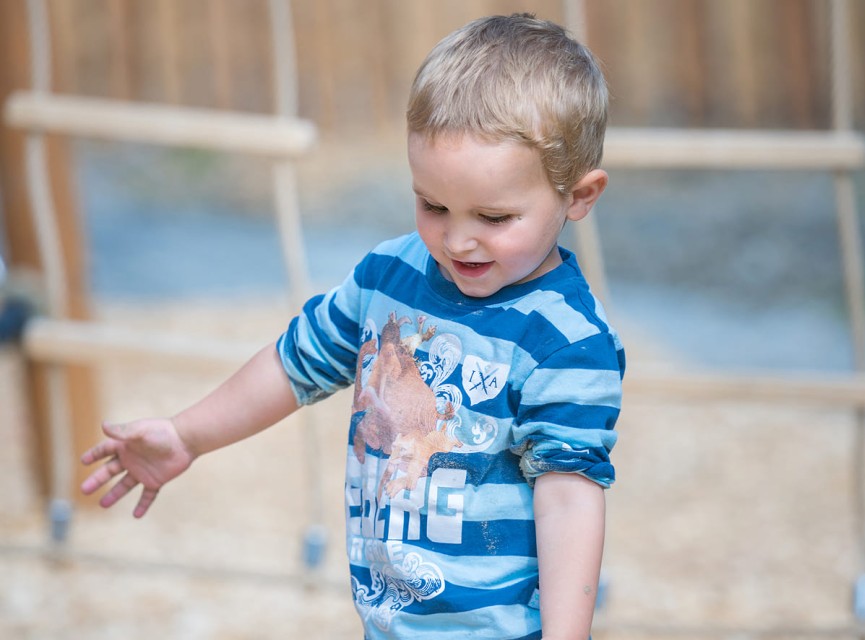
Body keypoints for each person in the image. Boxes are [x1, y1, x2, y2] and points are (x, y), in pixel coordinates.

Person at [81, 13, 624, 640]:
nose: (457, 239)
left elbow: (568, 495)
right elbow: (294, 363)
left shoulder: (565, 339)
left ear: (579, 198)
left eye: (495, 216)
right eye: (433, 205)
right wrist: (187, 436)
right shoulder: (388, 278)